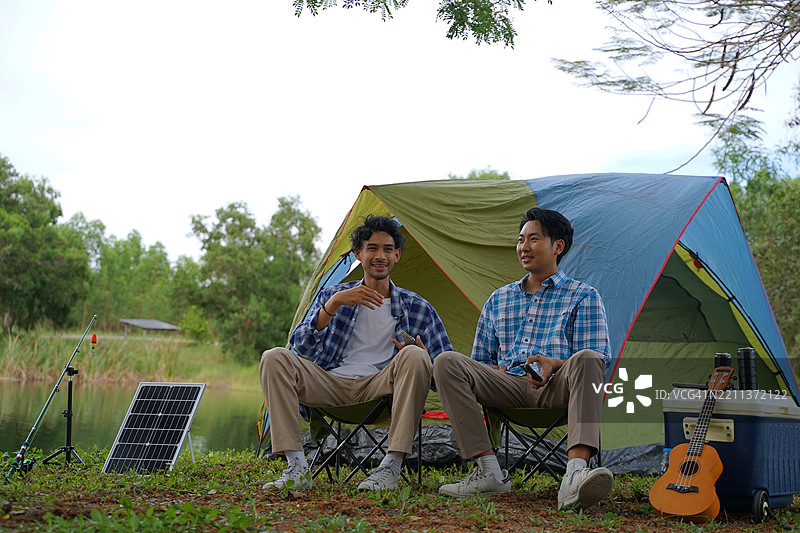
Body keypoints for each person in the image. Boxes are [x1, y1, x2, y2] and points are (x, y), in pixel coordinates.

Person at [433, 207, 613, 510]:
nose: (523, 247)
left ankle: (574, 475)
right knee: (446, 361)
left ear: (558, 246)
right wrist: (492, 369)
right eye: (520, 240)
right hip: (507, 386)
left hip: (558, 387)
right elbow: (480, 361)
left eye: (533, 239)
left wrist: (555, 364)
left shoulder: (583, 295)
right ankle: (489, 471)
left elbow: (599, 358)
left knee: (587, 358)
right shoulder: (499, 298)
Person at [259, 214, 453, 492]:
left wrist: (426, 362)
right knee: (274, 356)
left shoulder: (418, 307)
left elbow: (445, 375)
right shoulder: (334, 295)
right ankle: (297, 467)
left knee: (415, 356)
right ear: (358, 254)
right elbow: (301, 347)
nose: (380, 256)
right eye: (372, 248)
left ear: (397, 256)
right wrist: (332, 306)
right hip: (330, 384)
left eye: (388, 249)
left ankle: (391, 467)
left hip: (381, 389)